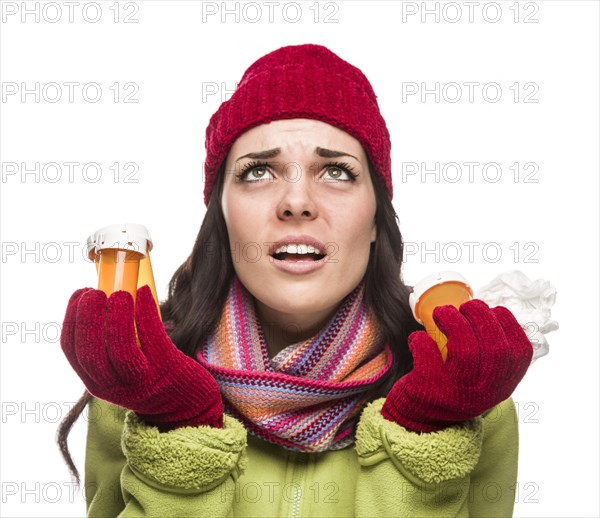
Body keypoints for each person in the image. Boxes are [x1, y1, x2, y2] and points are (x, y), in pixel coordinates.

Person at [57, 43, 532, 517]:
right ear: (221, 216)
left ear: (374, 221)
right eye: (259, 171)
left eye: (337, 171)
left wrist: (426, 439)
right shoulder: (139, 381)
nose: (297, 201)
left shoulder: (463, 389)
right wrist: (179, 433)